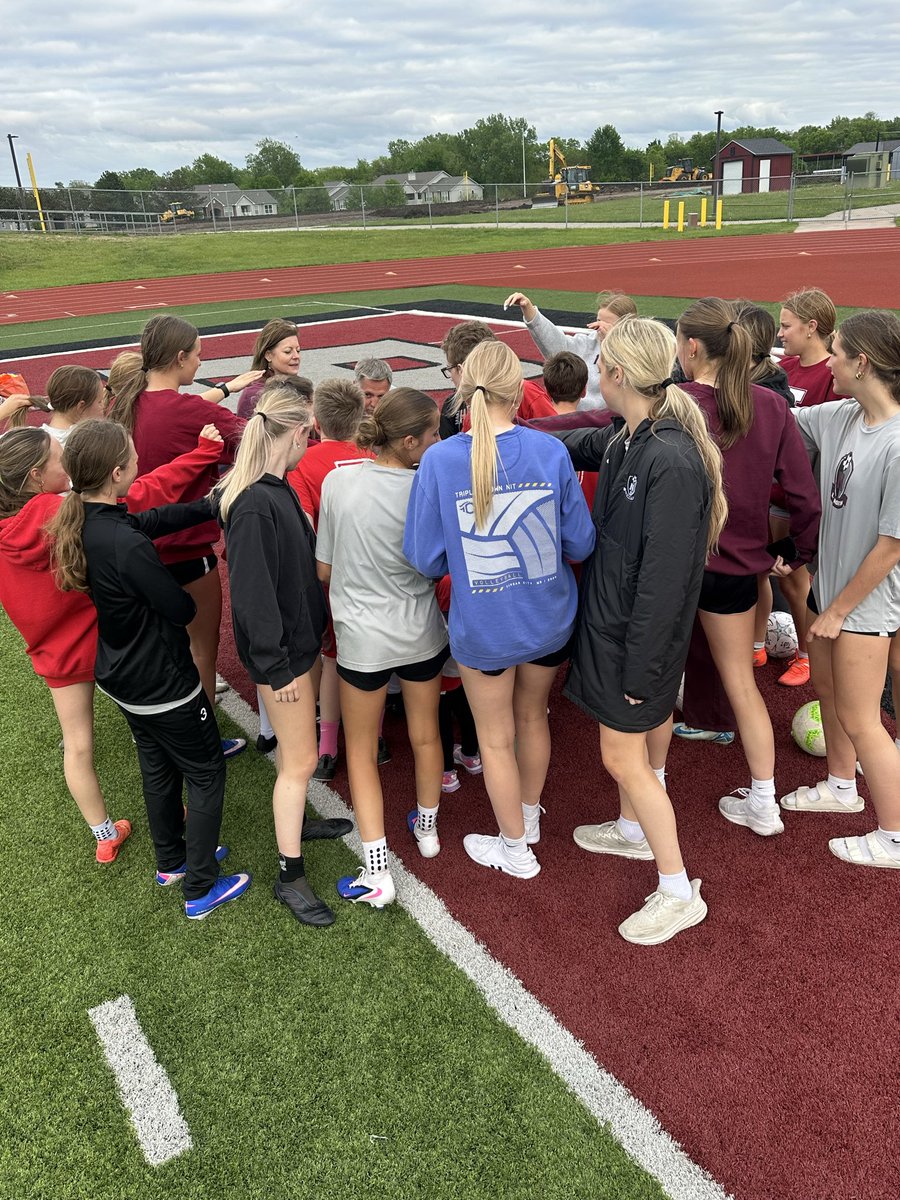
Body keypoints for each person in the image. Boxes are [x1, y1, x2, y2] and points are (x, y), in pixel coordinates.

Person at [549, 316, 727, 944]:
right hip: (618, 629)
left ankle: (678, 889)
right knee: (643, 750)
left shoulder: (671, 459)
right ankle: (630, 831)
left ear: (618, 374)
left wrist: (643, 668)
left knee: (621, 757)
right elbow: (581, 441)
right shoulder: (632, 435)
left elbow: (665, 581)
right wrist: (511, 435)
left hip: (636, 640)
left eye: (601, 362)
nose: (596, 372)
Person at [405, 341, 595, 879]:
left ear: (464, 387)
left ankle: (516, 849)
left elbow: (424, 556)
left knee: (495, 739)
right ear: (519, 390)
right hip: (549, 618)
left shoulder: (440, 460)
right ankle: (527, 822)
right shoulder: (550, 452)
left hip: (485, 628)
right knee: (534, 717)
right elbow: (579, 543)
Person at [0, 420, 228, 865]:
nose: (64, 461)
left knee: (79, 745)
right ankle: (182, 832)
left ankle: (104, 834)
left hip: (55, 654)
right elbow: (140, 499)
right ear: (34, 476)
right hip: (113, 645)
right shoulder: (62, 510)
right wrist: (201, 455)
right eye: (56, 457)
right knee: (159, 742)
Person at [49, 420, 250, 920]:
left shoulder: (91, 520)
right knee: (206, 772)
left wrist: (210, 504)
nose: (141, 462)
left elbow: (154, 519)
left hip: (123, 677)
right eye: (135, 458)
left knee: (157, 767)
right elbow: (180, 610)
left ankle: (173, 861)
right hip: (163, 680)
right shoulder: (122, 542)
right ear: (118, 473)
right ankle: (201, 887)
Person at [675, 297, 820, 837]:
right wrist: (796, 553)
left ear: (692, 347)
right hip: (736, 570)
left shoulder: (673, 403)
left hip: (676, 566)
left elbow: (600, 423)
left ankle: (640, 808)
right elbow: (805, 498)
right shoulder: (772, 405)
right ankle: (764, 801)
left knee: (654, 683)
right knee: (742, 683)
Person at [214, 383, 345, 927]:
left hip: (296, 647)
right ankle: (290, 874)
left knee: (299, 757)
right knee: (299, 763)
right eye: (308, 435)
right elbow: (250, 597)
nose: (309, 443)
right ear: (293, 433)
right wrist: (272, 665)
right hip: (284, 657)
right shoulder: (254, 504)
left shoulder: (275, 487)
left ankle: (295, 830)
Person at [317, 388, 448, 908]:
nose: (441, 440)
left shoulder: (339, 480)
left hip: (361, 639)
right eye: (435, 432)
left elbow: (323, 570)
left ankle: (376, 868)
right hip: (419, 631)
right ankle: (428, 830)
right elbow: (434, 567)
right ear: (411, 441)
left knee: (362, 749)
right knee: (425, 735)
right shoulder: (427, 490)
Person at [781, 310, 900, 871]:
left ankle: (894, 835)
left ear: (863, 362)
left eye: (837, 352)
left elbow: (892, 547)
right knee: (829, 693)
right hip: (827, 596)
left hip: (862, 606)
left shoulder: (898, 442)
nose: (828, 361)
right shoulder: (843, 416)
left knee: (862, 718)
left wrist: (840, 610)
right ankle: (840, 786)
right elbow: (782, 417)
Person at [108, 314, 252, 756]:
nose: (199, 363)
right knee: (200, 651)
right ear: (179, 357)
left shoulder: (123, 407)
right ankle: (203, 742)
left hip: (129, 548)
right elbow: (260, 440)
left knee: (155, 649)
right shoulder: (195, 412)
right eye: (197, 356)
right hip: (186, 552)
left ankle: (153, 733)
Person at [287, 377, 373, 779]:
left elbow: (306, 528)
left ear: (316, 420)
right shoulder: (377, 451)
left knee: (334, 659)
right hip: (385, 569)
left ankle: (327, 745)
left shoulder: (304, 462)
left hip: (335, 576)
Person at [504, 289, 637, 411]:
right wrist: (529, 311)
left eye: (607, 325)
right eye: (598, 321)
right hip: (579, 418)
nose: (600, 328)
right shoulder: (588, 342)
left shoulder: (639, 353)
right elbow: (558, 346)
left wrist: (613, 344)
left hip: (612, 422)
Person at [4, 366, 107, 443]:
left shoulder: (29, 439)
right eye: (100, 401)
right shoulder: (90, 441)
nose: (104, 405)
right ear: (81, 406)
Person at [438, 321, 497, 438]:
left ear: (461, 369)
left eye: (450, 369)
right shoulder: (517, 393)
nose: (451, 379)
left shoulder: (454, 405)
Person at [237, 320, 302, 420]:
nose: (296, 356)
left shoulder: (301, 387)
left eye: (298, 350)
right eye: (288, 352)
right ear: (268, 355)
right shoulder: (253, 395)